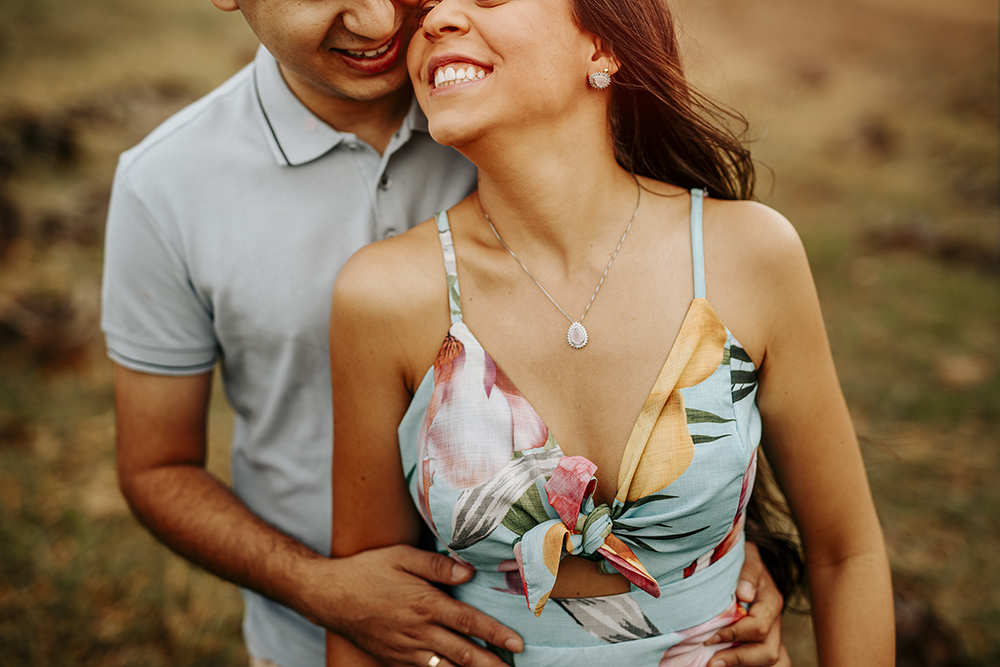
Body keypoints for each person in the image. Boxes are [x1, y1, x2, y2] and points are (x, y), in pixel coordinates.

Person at [101, 0, 788, 666]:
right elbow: (157, 467)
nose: (380, 21)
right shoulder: (166, 186)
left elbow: (675, 317)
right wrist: (321, 589)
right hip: (310, 634)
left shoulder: (501, 89)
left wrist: (708, 542)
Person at [326, 0, 895, 665]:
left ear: (601, 46)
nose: (436, 19)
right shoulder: (384, 296)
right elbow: (366, 604)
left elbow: (844, 552)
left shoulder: (750, 255)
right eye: (421, 6)